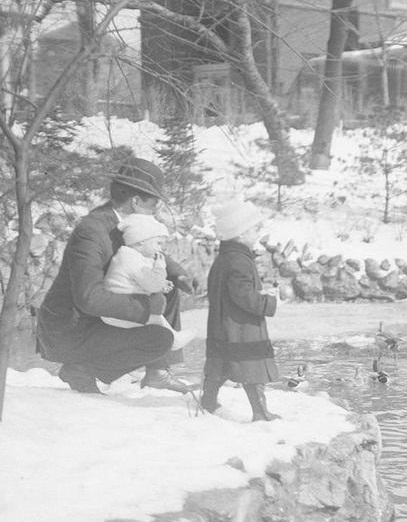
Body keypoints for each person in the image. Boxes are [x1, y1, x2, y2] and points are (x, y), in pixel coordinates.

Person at [36, 156, 197, 394]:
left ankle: (157, 372)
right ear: (136, 202)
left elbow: (147, 250)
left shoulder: (125, 221)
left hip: (93, 320)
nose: (156, 211)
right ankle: (81, 369)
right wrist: (148, 307)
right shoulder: (92, 231)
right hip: (72, 327)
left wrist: (178, 275)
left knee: (167, 287)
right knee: (160, 338)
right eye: (154, 205)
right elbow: (89, 298)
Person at [200, 200, 281, 421]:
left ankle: (207, 401)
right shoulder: (239, 260)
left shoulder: (225, 258)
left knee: (220, 364)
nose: (257, 233)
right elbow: (242, 295)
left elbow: (234, 291)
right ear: (240, 233)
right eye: (254, 229)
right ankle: (260, 412)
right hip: (241, 326)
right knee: (252, 368)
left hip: (222, 324)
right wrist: (268, 303)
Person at [102, 214, 193, 351]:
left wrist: (160, 283)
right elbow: (152, 284)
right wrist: (160, 268)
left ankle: (172, 338)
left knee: (156, 306)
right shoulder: (132, 260)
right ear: (140, 242)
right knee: (155, 308)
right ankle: (172, 340)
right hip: (121, 312)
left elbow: (144, 280)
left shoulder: (129, 255)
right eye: (158, 243)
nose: (160, 249)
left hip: (120, 307)